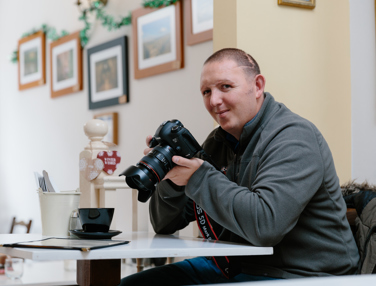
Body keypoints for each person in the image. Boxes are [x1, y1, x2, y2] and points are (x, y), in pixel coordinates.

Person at [120, 48, 359, 285]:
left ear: (257, 86)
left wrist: (197, 178)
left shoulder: (294, 137)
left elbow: (266, 226)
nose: (214, 101)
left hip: (301, 274)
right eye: (206, 91)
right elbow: (164, 224)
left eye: (225, 87)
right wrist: (173, 178)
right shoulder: (217, 142)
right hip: (231, 266)